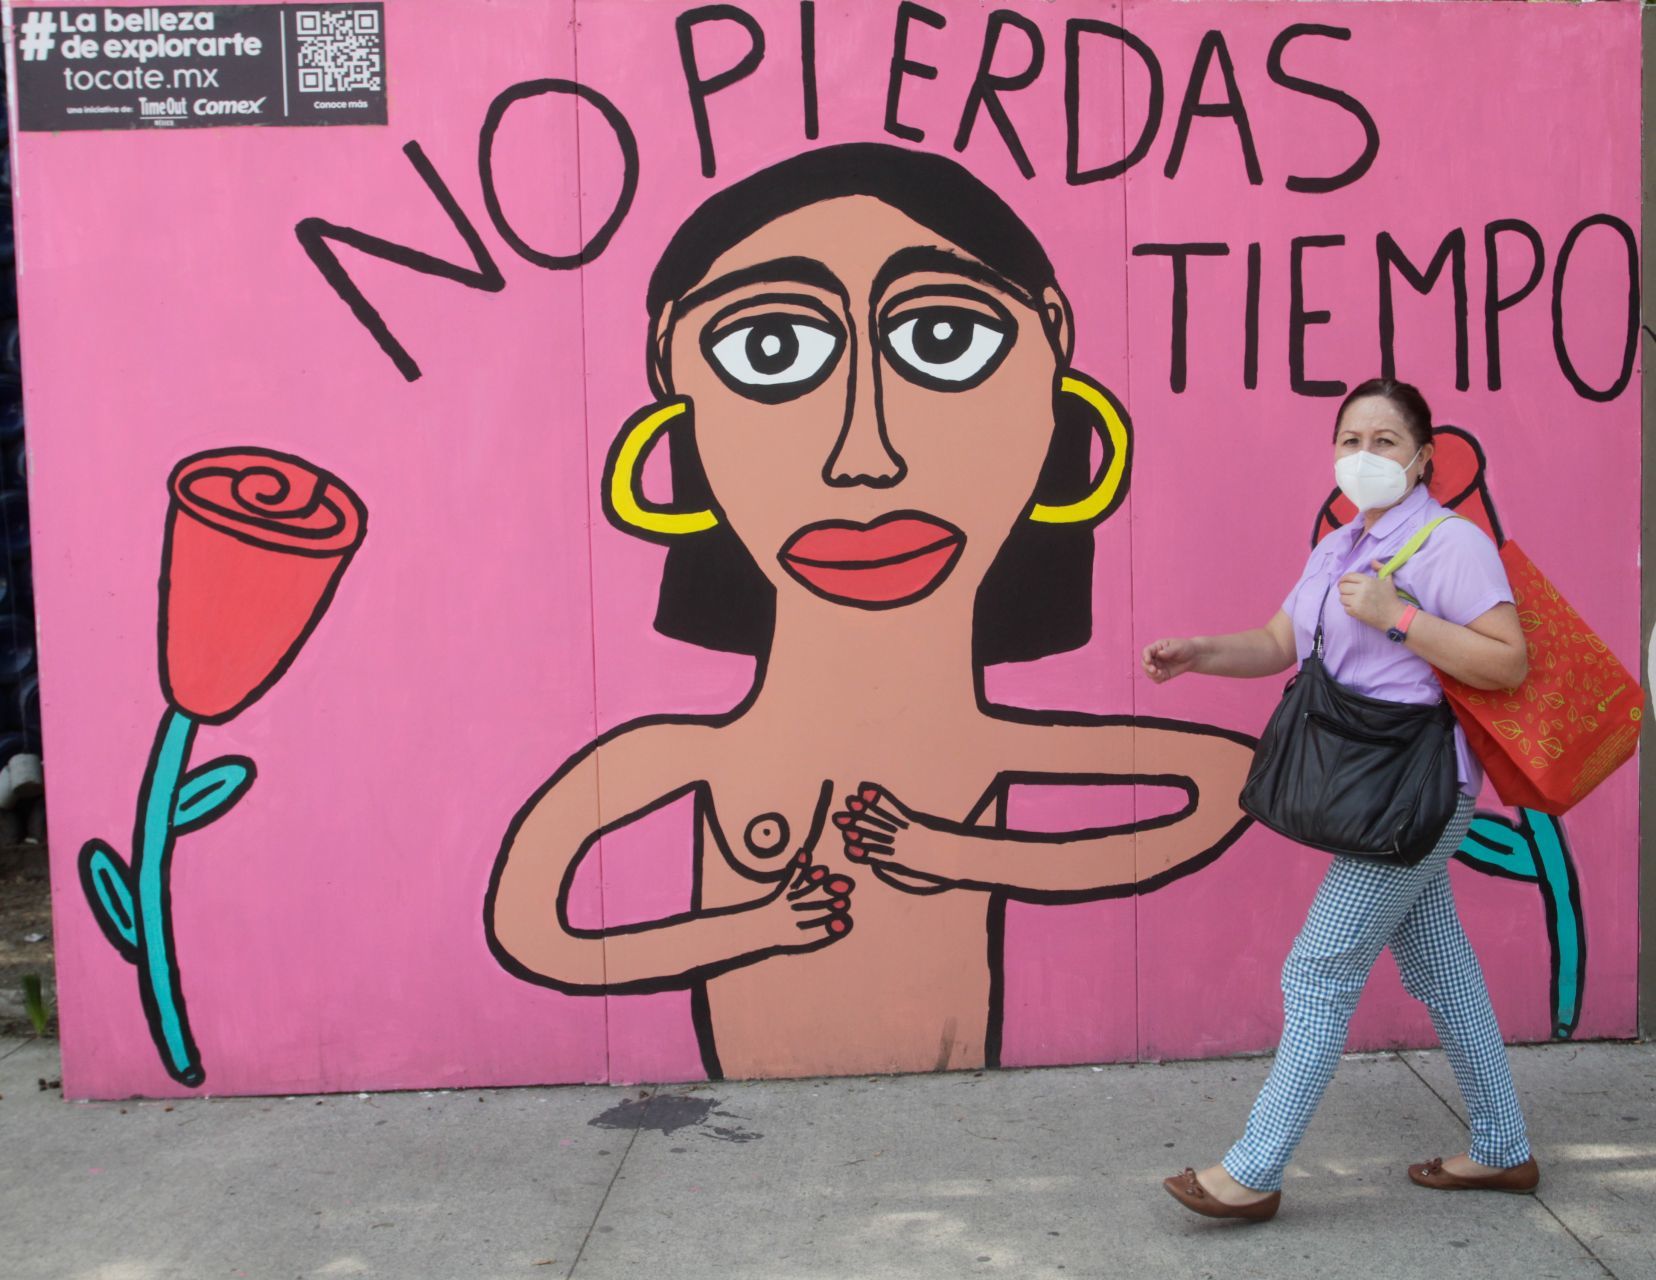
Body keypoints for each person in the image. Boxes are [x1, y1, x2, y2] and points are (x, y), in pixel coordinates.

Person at [486, 143, 1255, 1081]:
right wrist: (753, 927)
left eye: (943, 339)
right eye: (769, 350)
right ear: (676, 401)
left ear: (1054, 369)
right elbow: (533, 929)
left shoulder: (978, 747)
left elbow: (1225, 784)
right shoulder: (688, 756)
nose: (866, 454)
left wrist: (961, 853)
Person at [1144, 377, 1539, 1222]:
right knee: (1443, 966)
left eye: (1385, 442)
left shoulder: (1450, 544)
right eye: (1350, 440)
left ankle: (1253, 1170)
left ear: (1424, 457)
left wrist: (1400, 618)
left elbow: (1508, 663)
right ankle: (1503, 1149)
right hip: (1368, 783)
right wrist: (1200, 652)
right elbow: (1280, 642)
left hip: (1417, 792)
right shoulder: (1337, 546)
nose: (1364, 458)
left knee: (1318, 968)